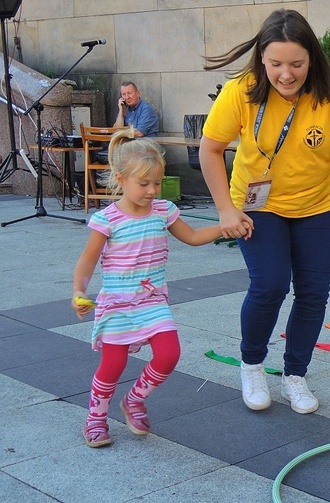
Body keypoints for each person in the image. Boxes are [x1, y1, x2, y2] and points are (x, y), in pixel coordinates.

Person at [199, 9, 330, 415]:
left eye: (296, 64)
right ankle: (252, 365)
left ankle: (295, 375)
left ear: (312, 59)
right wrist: (225, 209)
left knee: (313, 293)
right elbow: (210, 149)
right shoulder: (242, 90)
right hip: (259, 206)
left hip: (319, 204)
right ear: (262, 59)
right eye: (275, 64)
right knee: (270, 285)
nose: (286, 74)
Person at [72, 129, 223, 448]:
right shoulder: (108, 220)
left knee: (169, 354)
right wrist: (79, 293)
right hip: (117, 305)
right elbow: (87, 262)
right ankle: (95, 419)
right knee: (112, 366)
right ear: (120, 179)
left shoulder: (164, 211)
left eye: (157, 182)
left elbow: (193, 237)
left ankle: (134, 400)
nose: (153, 190)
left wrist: (225, 227)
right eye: (144, 184)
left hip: (153, 303)